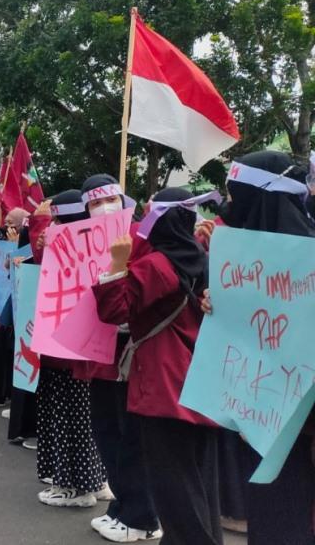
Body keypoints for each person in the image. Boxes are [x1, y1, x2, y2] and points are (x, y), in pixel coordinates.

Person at [95, 187, 220, 545]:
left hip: (163, 383)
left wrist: (117, 264)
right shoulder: (201, 255)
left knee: (173, 487)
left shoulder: (157, 265)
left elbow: (114, 310)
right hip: (198, 377)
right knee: (196, 482)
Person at [209, 150, 315, 545]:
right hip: (260, 415)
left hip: (295, 424)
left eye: (235, 195)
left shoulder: (304, 255)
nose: (229, 204)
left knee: (287, 513)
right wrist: (217, 304)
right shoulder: (248, 257)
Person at [70, 176, 161, 542]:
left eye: (108, 200)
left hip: (131, 355)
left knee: (131, 438)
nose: (102, 208)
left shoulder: (142, 237)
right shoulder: (79, 242)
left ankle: (142, 516)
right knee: (107, 433)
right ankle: (123, 508)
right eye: (93, 204)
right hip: (98, 355)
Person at [22, 190, 108, 509]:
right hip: (87, 350)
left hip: (63, 352)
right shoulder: (98, 244)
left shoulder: (67, 246)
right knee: (87, 418)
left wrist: (40, 223)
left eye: (57, 219)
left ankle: (74, 486)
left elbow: (46, 264)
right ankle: (95, 479)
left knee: (67, 419)